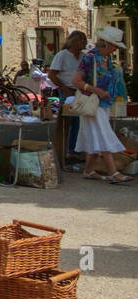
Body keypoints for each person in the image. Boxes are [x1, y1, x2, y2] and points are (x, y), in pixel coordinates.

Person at [71, 26, 132, 183]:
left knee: (96, 135)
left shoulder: (107, 59)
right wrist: (96, 90)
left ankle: (89, 170)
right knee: (104, 134)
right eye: (114, 46)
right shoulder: (90, 58)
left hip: (103, 103)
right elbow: (76, 81)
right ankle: (113, 172)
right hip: (93, 102)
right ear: (106, 44)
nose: (115, 49)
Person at [49, 30, 87, 162]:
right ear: (73, 41)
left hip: (80, 91)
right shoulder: (62, 55)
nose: (83, 42)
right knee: (69, 121)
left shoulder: (83, 56)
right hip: (67, 91)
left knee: (81, 121)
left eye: (84, 40)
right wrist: (64, 89)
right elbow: (52, 74)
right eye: (81, 39)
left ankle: (76, 150)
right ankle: (69, 151)